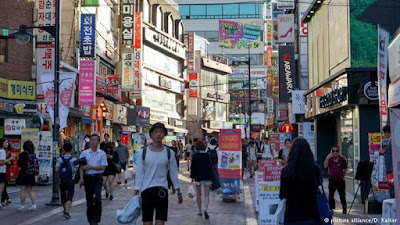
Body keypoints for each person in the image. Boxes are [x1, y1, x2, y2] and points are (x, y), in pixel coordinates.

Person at [134, 123, 183, 225]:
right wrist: (136, 192)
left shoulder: (169, 153)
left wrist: (178, 191)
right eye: (156, 132)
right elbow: (139, 174)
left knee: (160, 222)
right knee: (147, 222)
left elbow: (173, 172)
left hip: (162, 191)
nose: (158, 134)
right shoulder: (143, 153)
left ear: (164, 134)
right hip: (146, 190)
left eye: (161, 132)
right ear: (151, 134)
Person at [280, 138, 321, 225]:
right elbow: (319, 187)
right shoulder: (315, 169)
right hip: (311, 214)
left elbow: (282, 194)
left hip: (292, 215)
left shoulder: (286, 171)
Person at [79, 133, 108, 225]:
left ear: (98, 142)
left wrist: (90, 167)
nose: (93, 142)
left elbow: (103, 167)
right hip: (88, 178)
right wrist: (81, 178)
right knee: (89, 199)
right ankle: (90, 219)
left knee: (98, 199)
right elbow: (81, 167)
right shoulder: (85, 153)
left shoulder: (102, 154)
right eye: (92, 140)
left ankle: (96, 219)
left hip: (98, 178)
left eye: (95, 140)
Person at [190, 140, 213, 219]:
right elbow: (210, 167)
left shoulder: (195, 155)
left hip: (197, 176)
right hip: (207, 176)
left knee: (198, 194)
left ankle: (199, 210)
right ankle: (205, 209)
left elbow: (193, 167)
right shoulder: (207, 155)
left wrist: (192, 176)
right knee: (207, 195)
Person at [55, 142, 78, 219]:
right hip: (71, 180)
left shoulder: (60, 159)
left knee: (63, 196)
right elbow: (77, 168)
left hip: (62, 180)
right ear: (71, 149)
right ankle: (67, 211)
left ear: (63, 149)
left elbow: (56, 169)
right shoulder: (74, 159)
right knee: (70, 196)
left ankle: (65, 209)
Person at [324, 145, 347, 214]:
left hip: (340, 180)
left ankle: (344, 206)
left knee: (342, 194)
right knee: (331, 195)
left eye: (336, 151)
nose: (335, 152)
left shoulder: (342, 159)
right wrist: (327, 158)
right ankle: (331, 208)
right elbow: (325, 166)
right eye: (333, 151)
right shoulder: (330, 159)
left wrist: (343, 175)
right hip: (332, 179)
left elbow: (345, 168)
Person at [16, 140, 38, 211]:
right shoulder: (33, 154)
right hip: (31, 174)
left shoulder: (22, 154)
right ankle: (34, 205)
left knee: (23, 190)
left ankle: (22, 206)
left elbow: (19, 164)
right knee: (30, 190)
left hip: (23, 173)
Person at [0, 138, 14, 210]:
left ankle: (3, 200)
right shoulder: (2, 151)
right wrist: (9, 159)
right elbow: (1, 162)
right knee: (2, 187)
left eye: (7, 142)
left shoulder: (2, 151)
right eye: (5, 142)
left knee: (3, 187)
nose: (7, 143)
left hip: (4, 170)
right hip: (2, 171)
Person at [381, 125, 394, 198]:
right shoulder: (390, 141)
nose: (385, 135)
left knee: (392, 185)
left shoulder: (392, 141)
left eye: (385, 133)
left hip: (391, 169)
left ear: (388, 132)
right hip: (390, 169)